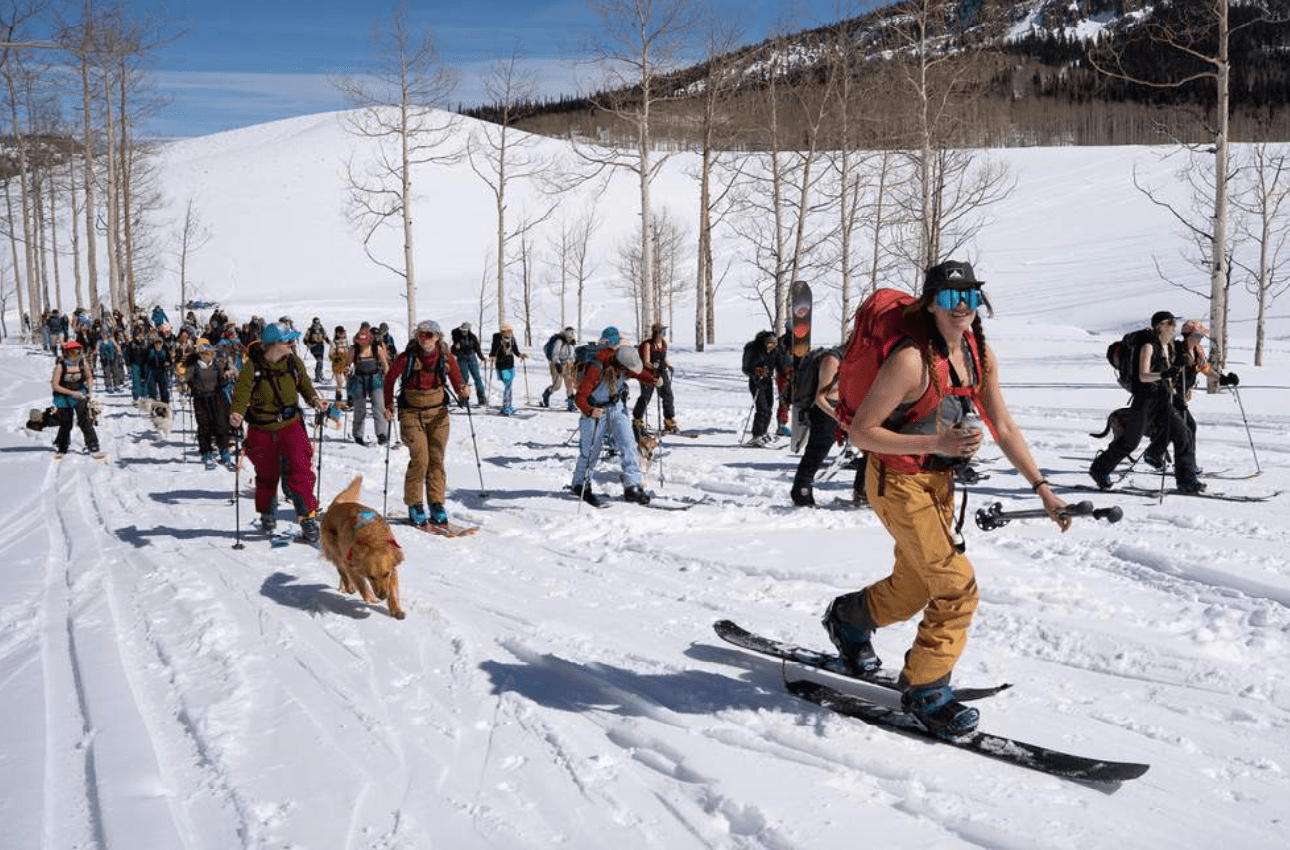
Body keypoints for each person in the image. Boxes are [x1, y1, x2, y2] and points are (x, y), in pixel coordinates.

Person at [822, 260, 1070, 738]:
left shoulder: (979, 352)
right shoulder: (911, 360)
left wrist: (1042, 488)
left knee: (916, 586)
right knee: (956, 585)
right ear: (931, 302)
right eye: (953, 299)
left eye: (972, 297)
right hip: (896, 481)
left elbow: (1003, 425)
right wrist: (936, 444)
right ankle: (926, 688)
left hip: (937, 483)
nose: (964, 309)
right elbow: (862, 433)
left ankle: (849, 621)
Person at [228, 321, 331, 543]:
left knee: (301, 470)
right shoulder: (252, 367)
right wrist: (236, 414)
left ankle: (307, 519)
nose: (292, 344)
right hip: (261, 429)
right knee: (266, 474)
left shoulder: (293, 361)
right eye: (288, 341)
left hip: (290, 424)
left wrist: (314, 400)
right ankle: (267, 513)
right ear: (274, 344)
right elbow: (242, 393)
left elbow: (304, 385)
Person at [1090, 311, 1203, 493]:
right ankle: (1099, 469)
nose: (1174, 328)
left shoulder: (1168, 346)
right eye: (1172, 324)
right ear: (1163, 325)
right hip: (1145, 399)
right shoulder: (1148, 345)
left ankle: (1187, 480)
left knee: (1183, 433)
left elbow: (1168, 378)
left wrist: (1176, 397)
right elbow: (1143, 375)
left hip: (1163, 398)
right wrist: (1163, 374)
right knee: (1130, 442)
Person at [383, 320, 466, 527]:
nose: (423, 339)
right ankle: (414, 503)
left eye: (428, 335)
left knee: (436, 459)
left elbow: (457, 379)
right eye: (420, 334)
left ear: (437, 337)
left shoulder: (445, 357)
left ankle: (437, 503)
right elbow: (389, 379)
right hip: (411, 413)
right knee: (421, 458)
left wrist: (463, 391)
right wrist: (388, 405)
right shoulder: (407, 357)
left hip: (438, 413)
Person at [569, 326, 661, 507]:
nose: (629, 372)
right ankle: (581, 485)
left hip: (617, 408)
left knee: (628, 444)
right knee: (590, 452)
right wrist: (589, 410)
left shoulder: (622, 363)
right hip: (596, 411)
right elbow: (579, 398)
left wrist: (653, 379)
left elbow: (638, 372)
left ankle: (632, 487)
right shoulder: (597, 366)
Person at [1141, 318, 1239, 470]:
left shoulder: (1197, 350)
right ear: (1188, 335)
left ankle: (1154, 453)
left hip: (1181, 393)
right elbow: (1167, 370)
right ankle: (1186, 464)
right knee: (1188, 426)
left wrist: (1223, 378)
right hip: (1170, 392)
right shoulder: (1177, 349)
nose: (1201, 339)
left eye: (1201, 336)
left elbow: (1205, 369)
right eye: (1198, 335)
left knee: (1177, 426)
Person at [790, 346, 865, 506]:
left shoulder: (857, 359)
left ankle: (862, 490)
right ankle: (801, 492)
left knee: (870, 447)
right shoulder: (833, 359)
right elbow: (820, 398)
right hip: (827, 410)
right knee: (817, 452)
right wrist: (838, 417)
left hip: (845, 408)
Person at [184, 341, 235, 467]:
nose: (210, 355)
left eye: (211, 353)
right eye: (208, 353)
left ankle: (224, 451)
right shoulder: (194, 366)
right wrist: (192, 388)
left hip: (216, 397)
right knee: (204, 426)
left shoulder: (216, 365)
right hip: (201, 399)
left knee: (221, 424)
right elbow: (188, 380)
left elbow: (221, 382)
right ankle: (206, 452)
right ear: (201, 354)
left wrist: (226, 377)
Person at [50, 340, 101, 456]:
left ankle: (92, 444)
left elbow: (89, 377)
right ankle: (62, 444)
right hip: (63, 396)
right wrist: (72, 393)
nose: (76, 354)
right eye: (72, 351)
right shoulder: (61, 366)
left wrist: (90, 390)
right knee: (66, 422)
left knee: (85, 420)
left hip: (80, 393)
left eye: (78, 351)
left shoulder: (83, 363)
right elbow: (55, 385)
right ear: (67, 352)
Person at [346, 328, 391, 445]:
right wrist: (348, 385)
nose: (363, 343)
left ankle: (381, 434)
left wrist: (387, 381)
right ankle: (358, 435)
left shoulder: (377, 349)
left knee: (378, 406)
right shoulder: (353, 350)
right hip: (358, 379)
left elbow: (385, 365)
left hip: (375, 378)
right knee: (359, 408)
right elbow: (347, 366)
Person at [632, 322, 678, 432]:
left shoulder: (663, 343)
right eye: (662, 332)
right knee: (645, 396)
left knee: (668, 395)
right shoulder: (648, 345)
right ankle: (637, 419)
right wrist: (653, 366)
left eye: (664, 332)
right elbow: (646, 361)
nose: (663, 334)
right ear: (656, 333)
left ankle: (669, 420)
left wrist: (668, 365)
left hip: (661, 371)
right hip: (648, 373)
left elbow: (663, 358)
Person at [740, 330, 779, 446]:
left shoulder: (773, 351)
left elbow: (778, 363)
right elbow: (747, 368)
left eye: (774, 344)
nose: (771, 346)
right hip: (756, 381)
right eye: (769, 343)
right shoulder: (753, 349)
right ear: (764, 342)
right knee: (761, 408)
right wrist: (758, 372)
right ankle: (756, 435)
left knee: (769, 407)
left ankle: (763, 432)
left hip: (768, 381)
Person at [488, 323, 527, 415]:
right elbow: (493, 350)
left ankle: (509, 405)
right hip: (502, 366)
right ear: (503, 332)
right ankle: (506, 406)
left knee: (509, 386)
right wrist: (492, 356)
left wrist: (521, 355)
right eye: (508, 331)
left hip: (510, 365)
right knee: (508, 386)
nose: (510, 332)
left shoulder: (512, 339)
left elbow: (515, 350)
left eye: (511, 330)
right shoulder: (498, 340)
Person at [451, 321, 488, 406]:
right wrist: (456, 348)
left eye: (465, 330)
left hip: (472, 358)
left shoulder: (473, 337)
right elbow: (453, 335)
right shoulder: (457, 336)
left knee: (477, 378)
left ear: (468, 330)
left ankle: (481, 398)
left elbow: (477, 349)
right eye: (462, 330)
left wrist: (482, 358)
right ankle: (464, 398)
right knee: (464, 379)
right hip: (461, 358)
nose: (463, 332)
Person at [541, 327, 577, 410]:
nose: (570, 339)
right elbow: (555, 354)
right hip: (557, 365)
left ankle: (570, 404)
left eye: (571, 337)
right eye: (568, 337)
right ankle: (546, 394)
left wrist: (574, 364)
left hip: (568, 365)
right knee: (557, 386)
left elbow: (572, 356)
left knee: (569, 385)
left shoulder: (572, 344)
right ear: (565, 335)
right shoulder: (559, 342)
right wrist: (557, 364)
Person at [143, 334, 173, 403]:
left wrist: (167, 363)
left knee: (164, 390)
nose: (158, 345)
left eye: (160, 343)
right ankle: (153, 406)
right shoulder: (150, 350)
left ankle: (165, 405)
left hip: (162, 371)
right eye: (156, 343)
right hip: (152, 372)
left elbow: (169, 360)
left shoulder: (165, 350)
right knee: (152, 391)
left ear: (162, 344)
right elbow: (144, 360)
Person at [329, 326, 350, 407]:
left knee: (348, 381)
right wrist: (336, 357)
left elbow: (351, 350)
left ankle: (350, 399)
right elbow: (330, 355)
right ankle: (338, 399)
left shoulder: (347, 341)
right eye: (340, 333)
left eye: (343, 332)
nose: (342, 334)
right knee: (339, 383)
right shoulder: (334, 342)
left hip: (346, 364)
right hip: (337, 365)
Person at [304, 317, 329, 383]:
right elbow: (305, 340)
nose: (316, 325)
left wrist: (330, 343)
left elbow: (326, 337)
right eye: (315, 323)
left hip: (320, 346)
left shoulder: (322, 329)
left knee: (321, 361)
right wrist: (308, 344)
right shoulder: (310, 330)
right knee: (319, 360)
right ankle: (317, 376)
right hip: (314, 347)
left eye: (318, 323)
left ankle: (320, 374)